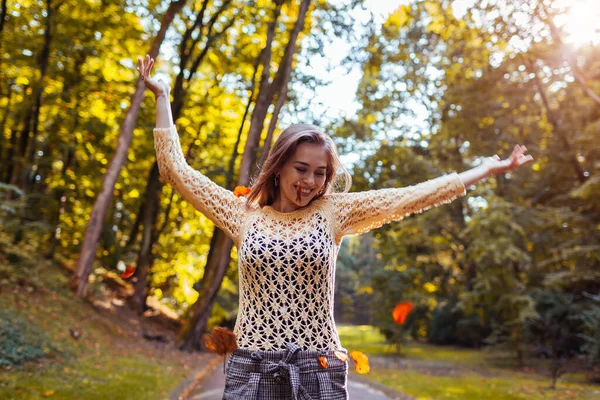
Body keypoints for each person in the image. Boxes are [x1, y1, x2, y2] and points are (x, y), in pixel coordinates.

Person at [137, 54, 533, 400]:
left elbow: (413, 195)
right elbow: (176, 172)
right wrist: (162, 96)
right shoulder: (244, 214)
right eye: (301, 169)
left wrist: (485, 168)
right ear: (279, 167)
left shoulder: (333, 213)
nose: (309, 181)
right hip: (252, 369)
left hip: (318, 366)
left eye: (320, 173)